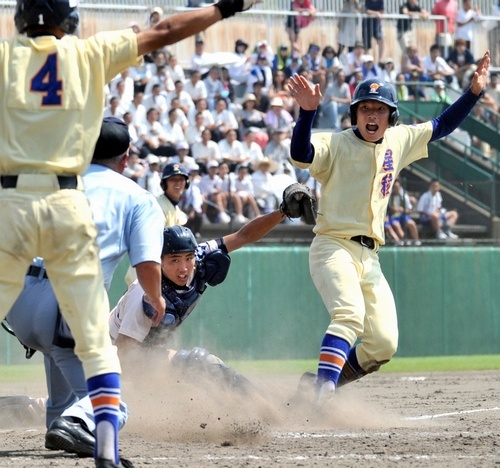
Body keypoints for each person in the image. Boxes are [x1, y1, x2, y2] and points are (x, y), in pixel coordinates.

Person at [0, 0, 263, 466]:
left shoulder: (5, 56)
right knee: (106, 377)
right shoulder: (86, 56)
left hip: (10, 221)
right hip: (62, 217)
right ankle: (103, 447)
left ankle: (66, 423)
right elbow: (164, 35)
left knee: (65, 371)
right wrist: (226, 6)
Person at [286, 50, 490, 404]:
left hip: (370, 256)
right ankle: (322, 393)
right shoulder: (336, 143)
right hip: (333, 246)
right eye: (365, 108)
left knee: (383, 343)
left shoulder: (400, 139)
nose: (371, 114)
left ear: (391, 116)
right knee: (348, 315)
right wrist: (307, 113)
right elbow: (302, 154)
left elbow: (441, 125)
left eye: (379, 109)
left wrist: (472, 93)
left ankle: (316, 383)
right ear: (355, 113)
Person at [5, 117, 165, 461]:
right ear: (126, 158)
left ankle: (60, 422)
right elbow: (148, 266)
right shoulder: (138, 198)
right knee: (113, 404)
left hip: (19, 301)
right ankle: (75, 423)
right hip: (67, 306)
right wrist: (155, 297)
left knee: (62, 366)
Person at [388, 179, 421, 245]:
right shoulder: (389, 197)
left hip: (403, 215)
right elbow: (389, 208)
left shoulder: (404, 197)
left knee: (411, 223)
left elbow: (409, 209)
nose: (396, 189)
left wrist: (402, 210)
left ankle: (416, 241)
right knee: (396, 224)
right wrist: (394, 209)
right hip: (393, 216)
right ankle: (404, 240)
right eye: (394, 187)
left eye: (397, 187)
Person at [156, 162, 190, 227]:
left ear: (186, 183)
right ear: (164, 184)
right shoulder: (159, 207)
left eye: (181, 179)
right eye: (173, 180)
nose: (178, 183)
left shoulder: (176, 208)